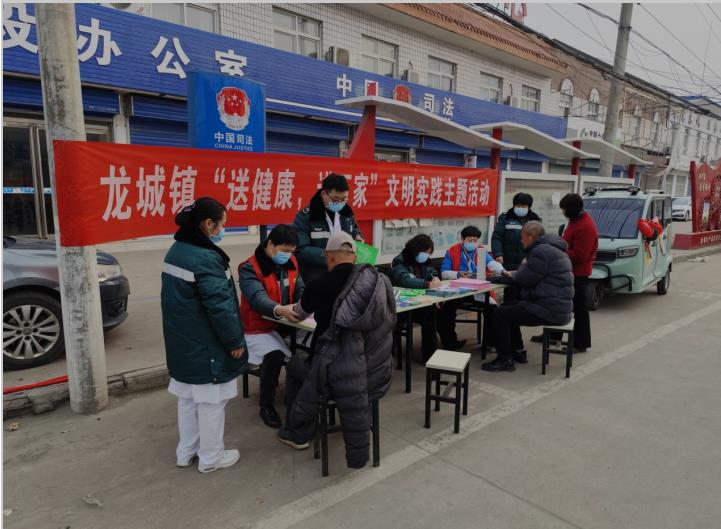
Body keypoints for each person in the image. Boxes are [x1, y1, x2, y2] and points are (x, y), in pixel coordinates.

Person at [278, 232, 396, 470]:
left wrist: (281, 309)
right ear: (354, 257)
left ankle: (298, 431)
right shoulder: (379, 281)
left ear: (329, 257)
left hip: (336, 370)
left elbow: (298, 314)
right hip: (376, 369)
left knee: (295, 365)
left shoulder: (319, 284)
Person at [161, 197, 247, 473]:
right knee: (211, 401)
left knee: (188, 398)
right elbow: (220, 307)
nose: (223, 229)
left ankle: (186, 452)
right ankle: (211, 458)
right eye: (222, 224)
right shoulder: (205, 258)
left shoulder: (176, 251)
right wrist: (234, 341)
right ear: (208, 224)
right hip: (206, 344)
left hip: (183, 341)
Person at [482, 221, 573, 372]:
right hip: (559, 306)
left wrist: (522, 265)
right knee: (509, 308)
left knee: (499, 314)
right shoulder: (552, 248)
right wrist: (520, 270)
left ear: (531, 236)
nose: (521, 241)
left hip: (550, 308)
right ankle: (518, 352)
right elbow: (531, 275)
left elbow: (525, 279)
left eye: (523, 237)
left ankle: (505, 360)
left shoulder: (541, 252)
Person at [238, 224, 304, 429]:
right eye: (284, 250)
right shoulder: (249, 268)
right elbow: (257, 299)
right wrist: (279, 309)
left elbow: (299, 287)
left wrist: (304, 305)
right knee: (274, 355)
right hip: (256, 328)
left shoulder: (291, 262)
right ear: (270, 244)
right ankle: (266, 406)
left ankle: (300, 394)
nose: (288, 255)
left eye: (292, 251)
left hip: (284, 324)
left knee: (314, 343)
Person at [437, 225, 506, 350]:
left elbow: (492, 264)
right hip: (456, 291)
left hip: (477, 291)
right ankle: (450, 342)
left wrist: (502, 271)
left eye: (475, 240)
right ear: (462, 239)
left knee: (493, 310)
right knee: (445, 311)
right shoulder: (452, 251)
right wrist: (458, 274)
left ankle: (490, 343)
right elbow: (444, 273)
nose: (473, 243)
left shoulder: (481, 251)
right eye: (470, 240)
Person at [292, 173, 364, 285]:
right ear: (324, 194)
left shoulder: (347, 213)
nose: (340, 203)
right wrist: (330, 256)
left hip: (344, 275)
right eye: (335, 199)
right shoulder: (306, 216)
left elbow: (354, 229)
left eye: (344, 199)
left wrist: (357, 236)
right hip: (316, 277)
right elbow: (301, 249)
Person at [554, 193, 598, 352]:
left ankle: (581, 343)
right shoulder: (575, 221)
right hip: (568, 270)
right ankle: (554, 336)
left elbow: (580, 255)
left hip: (578, 273)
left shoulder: (585, 226)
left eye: (564, 209)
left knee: (579, 308)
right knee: (560, 304)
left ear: (571, 209)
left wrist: (558, 252)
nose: (563, 212)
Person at [390, 234, 443, 361]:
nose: (426, 256)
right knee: (429, 314)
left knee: (437, 313)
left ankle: (432, 354)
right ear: (416, 249)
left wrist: (435, 277)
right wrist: (427, 284)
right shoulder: (400, 260)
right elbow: (403, 279)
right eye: (425, 252)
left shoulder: (423, 261)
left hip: (420, 301)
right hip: (403, 305)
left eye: (429, 253)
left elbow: (431, 271)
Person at [491, 192, 541, 271]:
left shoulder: (534, 220)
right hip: (506, 260)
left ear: (529, 207)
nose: (521, 208)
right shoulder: (505, 217)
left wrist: (530, 257)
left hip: (526, 262)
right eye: (518, 206)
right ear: (514, 205)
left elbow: (538, 242)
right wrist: (498, 254)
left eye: (524, 206)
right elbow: (497, 237)